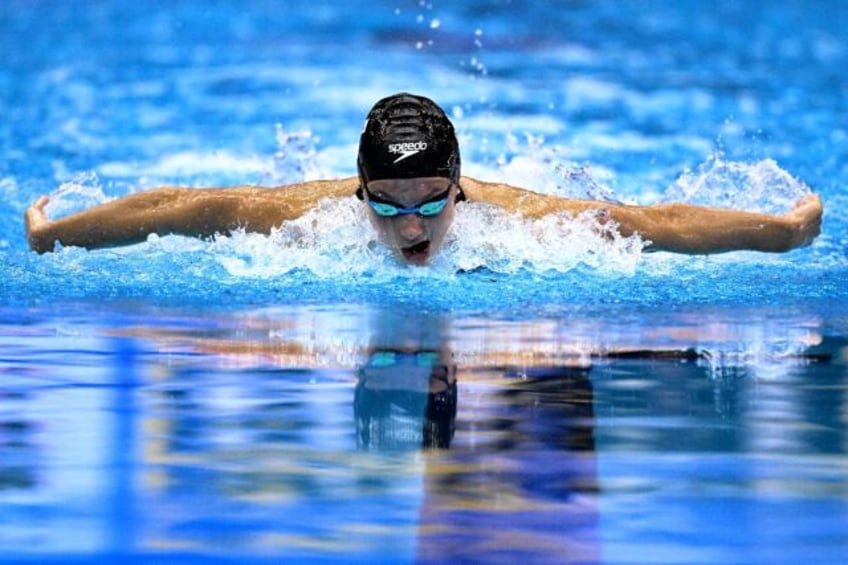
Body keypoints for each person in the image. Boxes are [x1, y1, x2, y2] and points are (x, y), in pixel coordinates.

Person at [25, 93, 823, 265]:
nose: (414, 226)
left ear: (461, 186)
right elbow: (180, 209)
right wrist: (52, 234)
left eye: (435, 201)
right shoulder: (305, 222)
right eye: (390, 206)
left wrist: (787, 232)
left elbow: (661, 224)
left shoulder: (522, 222)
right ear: (357, 190)